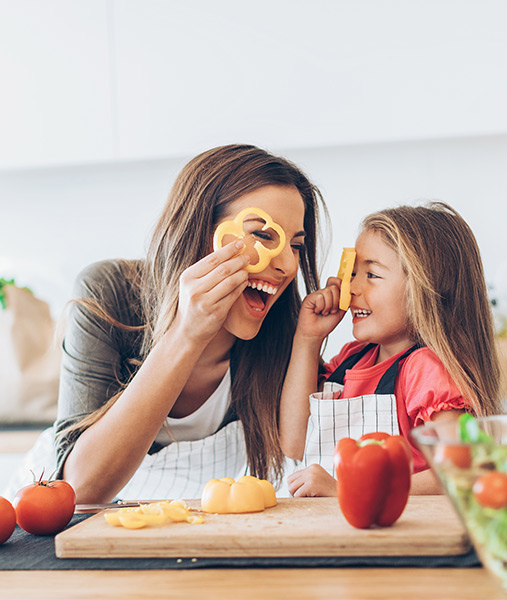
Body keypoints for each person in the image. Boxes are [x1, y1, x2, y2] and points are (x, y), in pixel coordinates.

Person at [53, 144, 326, 504]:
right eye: (262, 236)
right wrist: (186, 334)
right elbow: (80, 491)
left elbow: (299, 453)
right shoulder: (109, 292)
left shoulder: (285, 331)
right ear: (199, 230)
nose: (288, 266)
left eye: (296, 245)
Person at [279, 202, 501, 497]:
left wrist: (350, 489)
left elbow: (462, 470)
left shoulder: (425, 370)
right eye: (353, 273)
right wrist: (307, 339)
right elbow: (295, 444)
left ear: (423, 290)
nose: (351, 288)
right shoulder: (351, 359)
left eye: (371, 275)